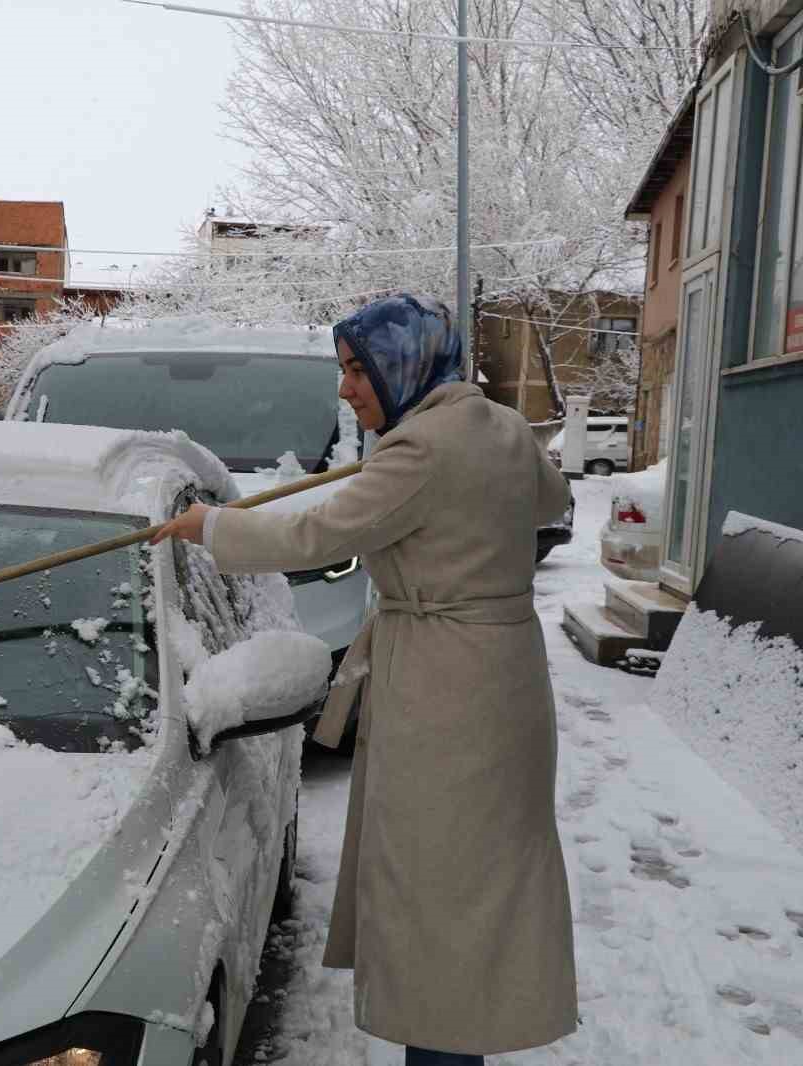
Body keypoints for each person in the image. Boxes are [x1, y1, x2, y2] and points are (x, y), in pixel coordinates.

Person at [151, 294, 577, 1065]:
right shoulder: (500, 430)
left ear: (404, 366)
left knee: (439, 895)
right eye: (343, 369)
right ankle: (452, 1046)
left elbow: (317, 531)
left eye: (357, 370)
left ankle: (443, 1054)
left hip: (449, 692)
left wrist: (211, 529)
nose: (346, 389)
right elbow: (554, 497)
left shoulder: (421, 451)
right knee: (473, 888)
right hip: (504, 676)